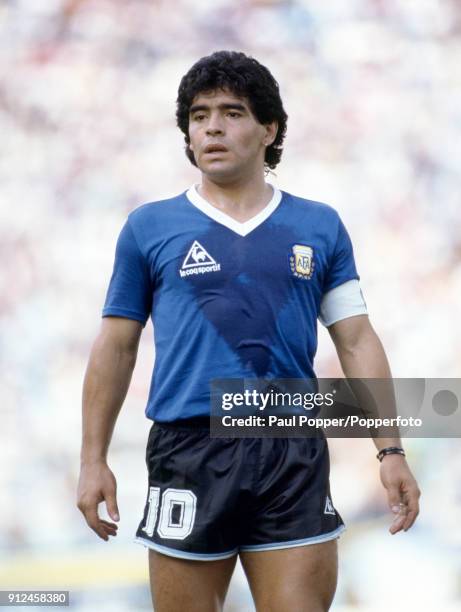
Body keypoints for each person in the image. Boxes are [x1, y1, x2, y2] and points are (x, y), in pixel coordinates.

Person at [77, 50, 421, 612]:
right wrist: (92, 459)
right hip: (188, 449)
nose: (212, 126)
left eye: (232, 112)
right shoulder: (149, 228)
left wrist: (391, 450)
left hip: (290, 448)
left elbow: (356, 339)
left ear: (270, 129)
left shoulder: (319, 225)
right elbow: (116, 347)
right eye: (198, 114)